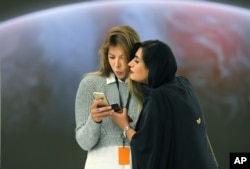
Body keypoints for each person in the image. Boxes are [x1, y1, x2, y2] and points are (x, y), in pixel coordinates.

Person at [112, 40, 220, 169]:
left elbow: (145, 146)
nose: (129, 64)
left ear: (153, 66)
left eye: (136, 61)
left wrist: (125, 126)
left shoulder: (159, 97)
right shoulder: (183, 85)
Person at [75, 25, 141, 169]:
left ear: (134, 56)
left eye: (123, 57)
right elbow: (84, 143)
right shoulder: (90, 84)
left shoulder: (145, 88)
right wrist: (94, 120)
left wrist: (126, 126)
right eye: (112, 57)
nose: (116, 65)